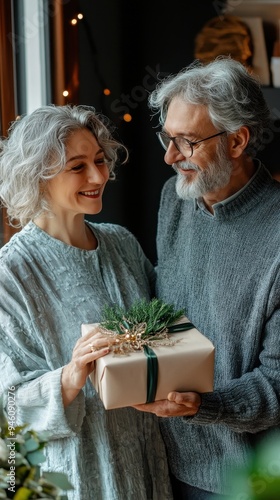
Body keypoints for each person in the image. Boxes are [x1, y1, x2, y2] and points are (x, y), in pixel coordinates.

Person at [0, 104, 173, 500]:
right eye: (77, 166)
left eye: (99, 160)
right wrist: (69, 376)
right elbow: (7, 410)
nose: (99, 176)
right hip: (79, 472)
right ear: (37, 176)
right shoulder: (10, 275)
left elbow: (163, 335)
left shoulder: (122, 244)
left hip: (149, 458)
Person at [134, 57, 280, 499]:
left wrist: (202, 406)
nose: (169, 156)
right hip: (162, 460)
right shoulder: (174, 200)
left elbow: (276, 387)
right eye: (167, 137)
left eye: (187, 141)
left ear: (237, 141)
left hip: (244, 479)